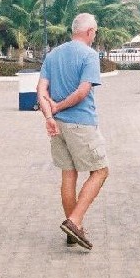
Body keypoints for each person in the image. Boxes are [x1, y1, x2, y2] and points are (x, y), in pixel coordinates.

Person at [37, 13, 108, 251]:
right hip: (81, 123)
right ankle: (74, 221)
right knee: (100, 171)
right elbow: (83, 91)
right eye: (95, 32)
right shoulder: (89, 55)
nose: (95, 36)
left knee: (68, 175)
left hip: (58, 125)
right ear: (89, 31)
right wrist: (57, 107)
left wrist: (50, 115)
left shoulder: (52, 54)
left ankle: (72, 232)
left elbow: (41, 90)